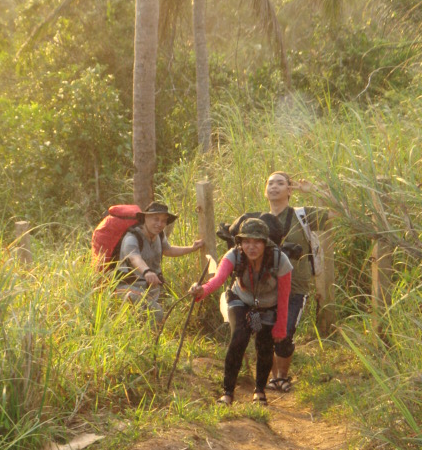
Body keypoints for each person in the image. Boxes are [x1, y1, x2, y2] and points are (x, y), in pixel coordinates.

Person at [189, 218, 292, 405]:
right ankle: (228, 392)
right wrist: (202, 290)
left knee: (264, 345)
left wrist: (280, 326)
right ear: (240, 242)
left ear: (265, 243)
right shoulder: (234, 255)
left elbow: (284, 297)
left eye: (257, 242)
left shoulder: (280, 260)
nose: (251, 247)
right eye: (247, 241)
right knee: (239, 338)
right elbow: (218, 279)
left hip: (266, 308)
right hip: (241, 301)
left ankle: (259, 391)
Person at [264, 171, 336, 393]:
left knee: (285, 333)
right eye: (270, 183)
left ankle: (282, 376)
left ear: (289, 190)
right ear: (265, 191)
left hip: (295, 287)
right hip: (266, 289)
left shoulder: (303, 216)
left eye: (280, 183)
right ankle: (273, 378)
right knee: (266, 334)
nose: (274, 186)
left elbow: (339, 213)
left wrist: (315, 191)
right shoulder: (260, 220)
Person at [117, 201, 204, 324]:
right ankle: (150, 336)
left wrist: (192, 248)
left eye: (163, 221)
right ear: (145, 218)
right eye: (156, 219)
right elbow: (134, 258)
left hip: (151, 288)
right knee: (156, 313)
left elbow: (168, 250)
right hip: (129, 288)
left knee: (174, 309)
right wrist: (147, 272)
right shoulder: (132, 238)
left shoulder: (159, 236)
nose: (160, 224)